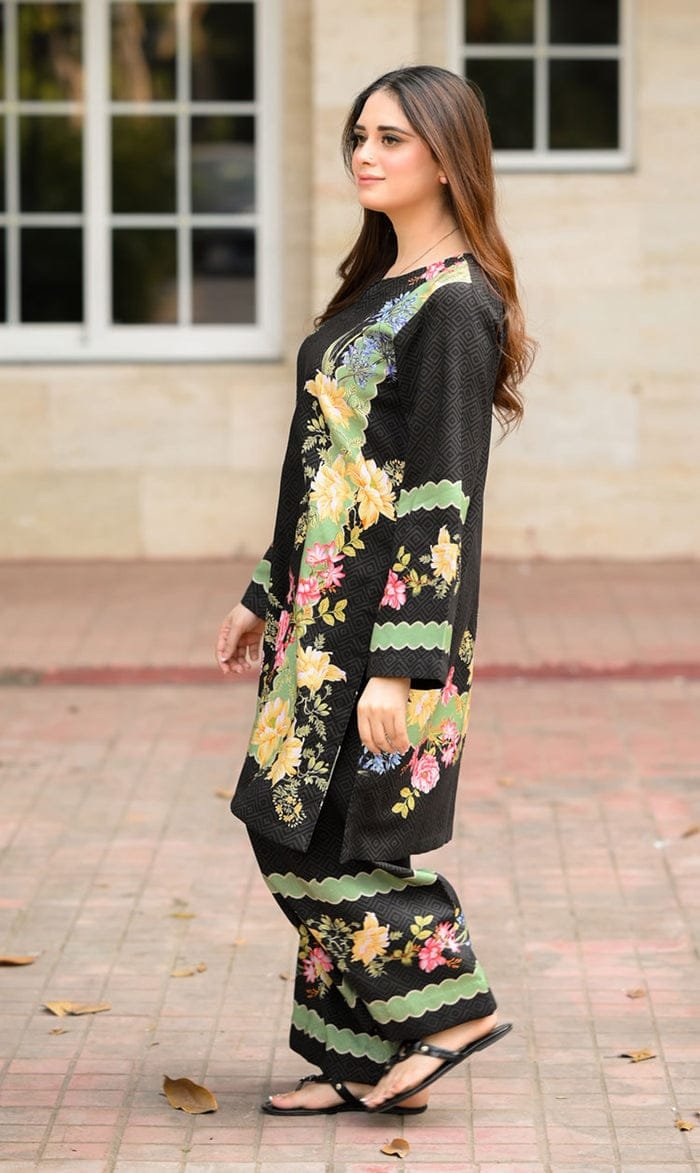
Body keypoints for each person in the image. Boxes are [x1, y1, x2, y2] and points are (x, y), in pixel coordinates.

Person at [216, 65, 533, 1117]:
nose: (366, 153)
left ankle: (452, 1004)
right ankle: (355, 1056)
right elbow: (318, 464)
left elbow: (442, 496)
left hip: (384, 625)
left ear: (447, 157)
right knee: (292, 820)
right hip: (314, 619)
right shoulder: (379, 288)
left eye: (392, 138)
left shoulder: (455, 305)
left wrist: (401, 665)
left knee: (324, 830)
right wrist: (264, 589)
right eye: (360, 135)